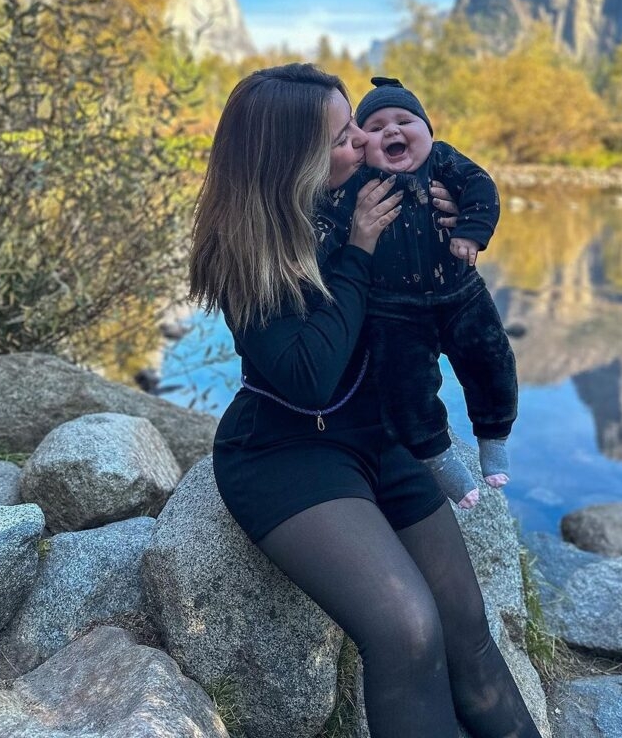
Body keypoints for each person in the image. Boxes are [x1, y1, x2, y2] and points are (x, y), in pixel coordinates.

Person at [189, 63, 542, 738]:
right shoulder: (247, 245)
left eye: (356, 122)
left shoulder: (373, 193)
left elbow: (439, 299)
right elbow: (308, 375)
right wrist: (358, 249)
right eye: (344, 134)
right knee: (408, 630)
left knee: (465, 631)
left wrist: (450, 228)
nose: (363, 140)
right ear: (292, 160)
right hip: (286, 452)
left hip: (382, 435)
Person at [315, 77, 518, 511]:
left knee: (492, 360)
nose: (392, 130)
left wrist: (471, 231)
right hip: (392, 310)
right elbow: (326, 223)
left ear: (428, 131)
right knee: (406, 388)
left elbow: (483, 188)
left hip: (461, 293)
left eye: (405, 120)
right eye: (376, 124)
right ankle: (439, 458)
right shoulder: (357, 183)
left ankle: (494, 435)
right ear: (360, 142)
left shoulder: (444, 162)